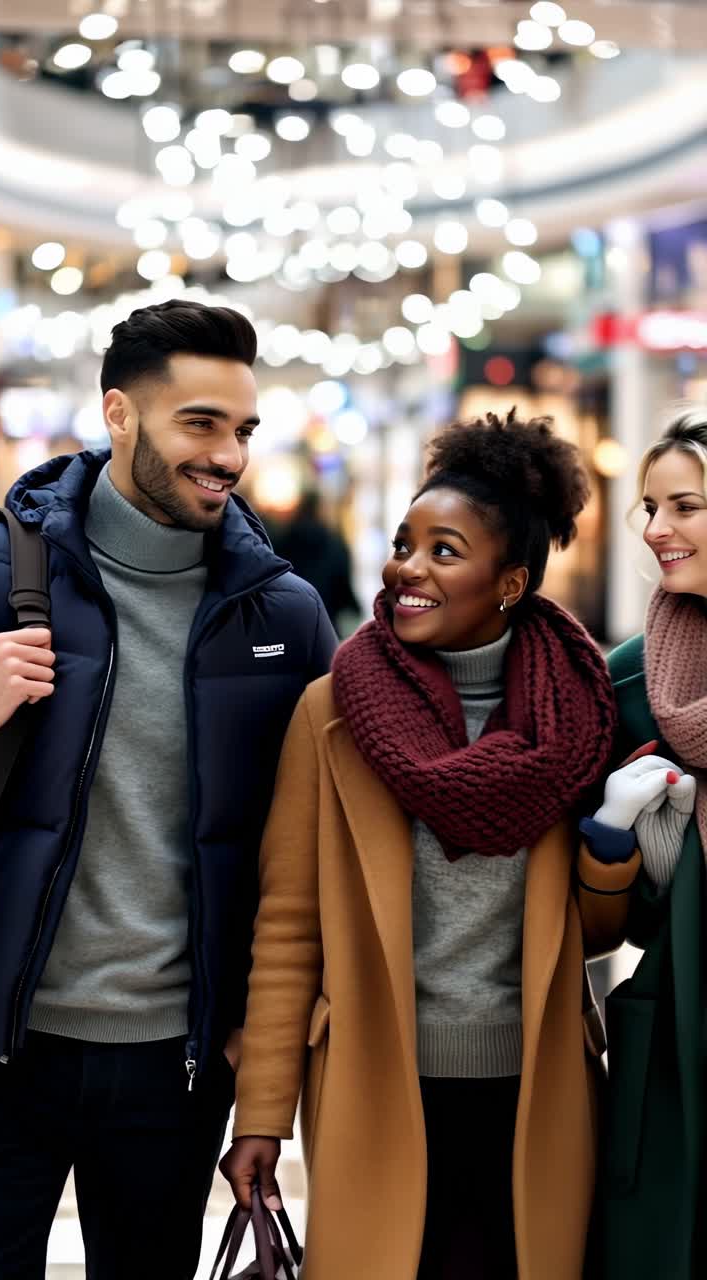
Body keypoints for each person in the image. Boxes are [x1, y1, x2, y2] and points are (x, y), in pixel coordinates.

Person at [222, 411, 641, 1280]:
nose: (406, 568)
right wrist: (260, 1113)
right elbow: (289, 925)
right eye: (405, 542)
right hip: (377, 1080)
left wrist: (608, 849)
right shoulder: (332, 710)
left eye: (444, 551)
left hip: (537, 1083)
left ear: (511, 581)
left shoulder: (578, 713)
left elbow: (597, 936)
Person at [0, 299, 336, 1280]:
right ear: (120, 415)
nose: (227, 454)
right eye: (200, 423)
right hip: (3, 1044)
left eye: (242, 429)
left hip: (173, 1067)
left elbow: (312, 843)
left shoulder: (284, 614)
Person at [583, 410, 707, 1280]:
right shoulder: (630, 682)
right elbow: (605, 918)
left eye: (687, 507)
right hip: (674, 1053)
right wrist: (628, 847)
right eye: (651, 508)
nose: (658, 530)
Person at [270, 491, 362, 636]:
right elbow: (343, 588)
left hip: (288, 623)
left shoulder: (281, 541)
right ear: (320, 510)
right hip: (326, 624)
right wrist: (354, 607)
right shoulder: (334, 544)